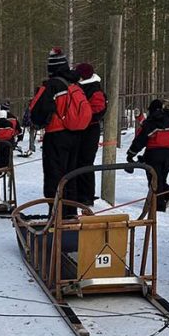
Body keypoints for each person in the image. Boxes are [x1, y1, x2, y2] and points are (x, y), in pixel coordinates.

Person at [28, 50, 92, 214]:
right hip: (76, 135)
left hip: (56, 135)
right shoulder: (74, 84)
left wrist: (37, 122)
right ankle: (70, 213)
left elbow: (37, 113)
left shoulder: (52, 86)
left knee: (54, 176)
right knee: (71, 176)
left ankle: (57, 214)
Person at [126, 99, 169, 212]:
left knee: (154, 180)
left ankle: (158, 206)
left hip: (154, 154)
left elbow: (140, 140)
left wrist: (131, 153)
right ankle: (167, 195)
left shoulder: (152, 122)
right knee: (161, 178)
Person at [74, 63, 107, 206]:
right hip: (80, 130)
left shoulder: (94, 90)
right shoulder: (81, 88)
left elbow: (98, 111)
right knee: (77, 162)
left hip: (89, 131)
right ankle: (78, 193)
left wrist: (81, 117)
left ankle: (86, 195)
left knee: (85, 163)